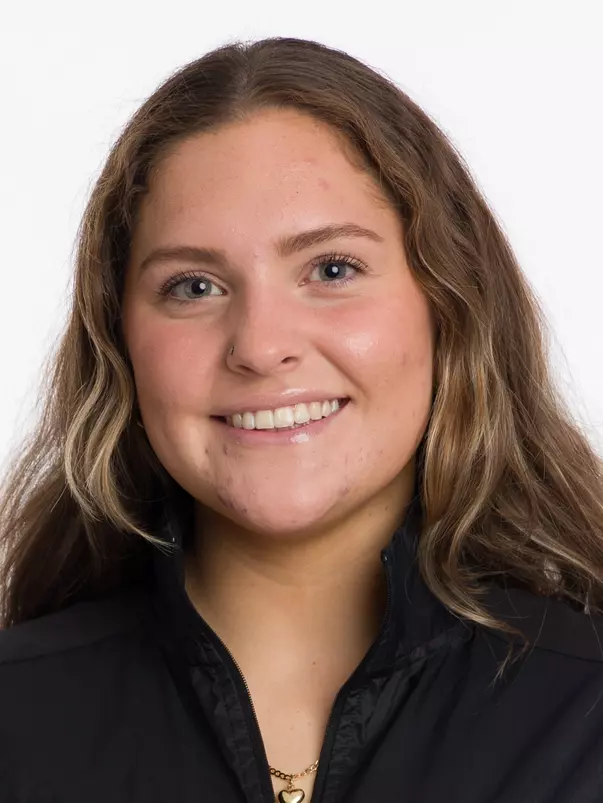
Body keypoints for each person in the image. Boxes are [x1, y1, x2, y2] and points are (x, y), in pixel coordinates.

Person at [1, 35, 602, 803]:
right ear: (118, 340)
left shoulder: (585, 720)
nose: (260, 345)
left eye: (331, 269)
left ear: (450, 306)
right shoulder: (16, 721)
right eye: (192, 286)